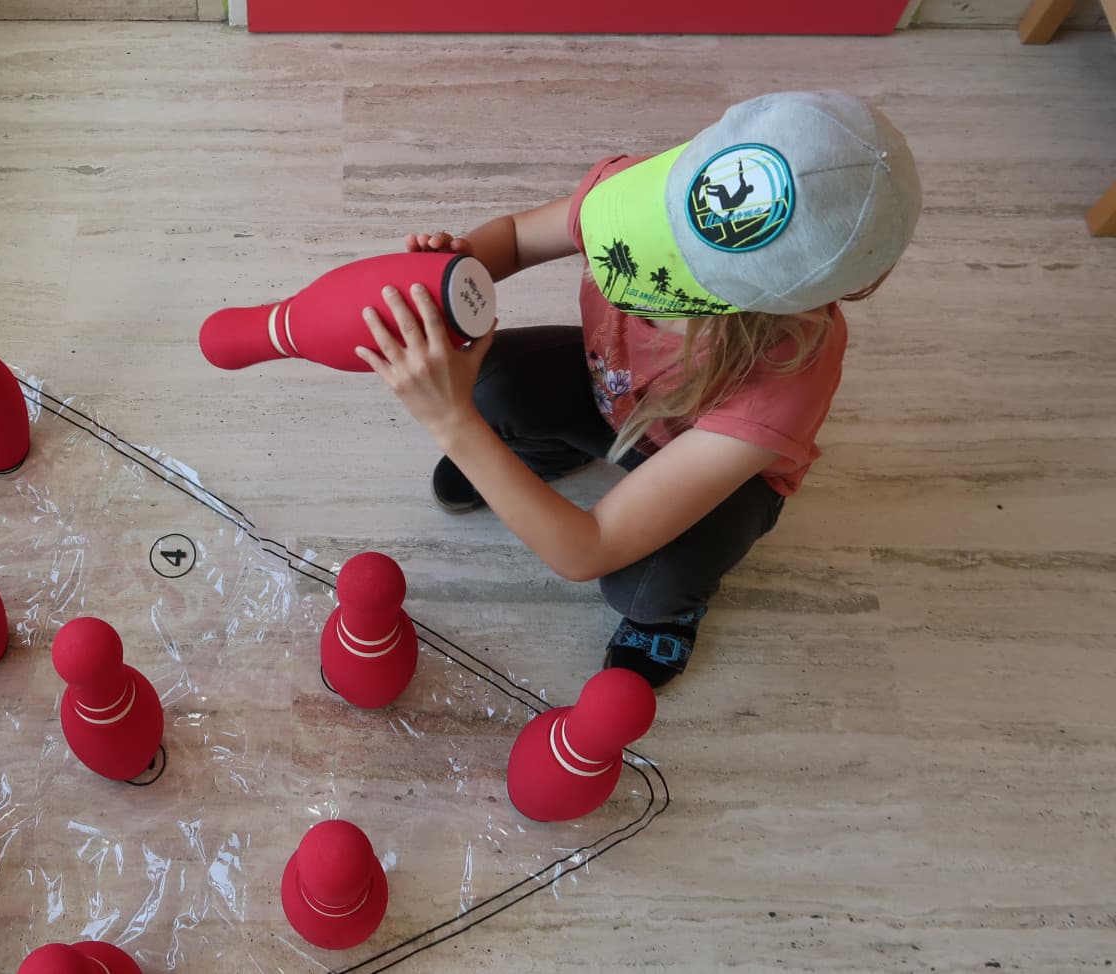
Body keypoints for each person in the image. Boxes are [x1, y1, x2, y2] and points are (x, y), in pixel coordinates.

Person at [353, 90, 922, 688]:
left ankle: (671, 614)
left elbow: (587, 549)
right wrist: (458, 269)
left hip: (722, 477)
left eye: (670, 267)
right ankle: (554, 450)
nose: (630, 250)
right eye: (654, 225)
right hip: (614, 389)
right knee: (489, 383)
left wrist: (453, 425)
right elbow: (518, 240)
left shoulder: (786, 374)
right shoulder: (640, 186)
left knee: (640, 588)